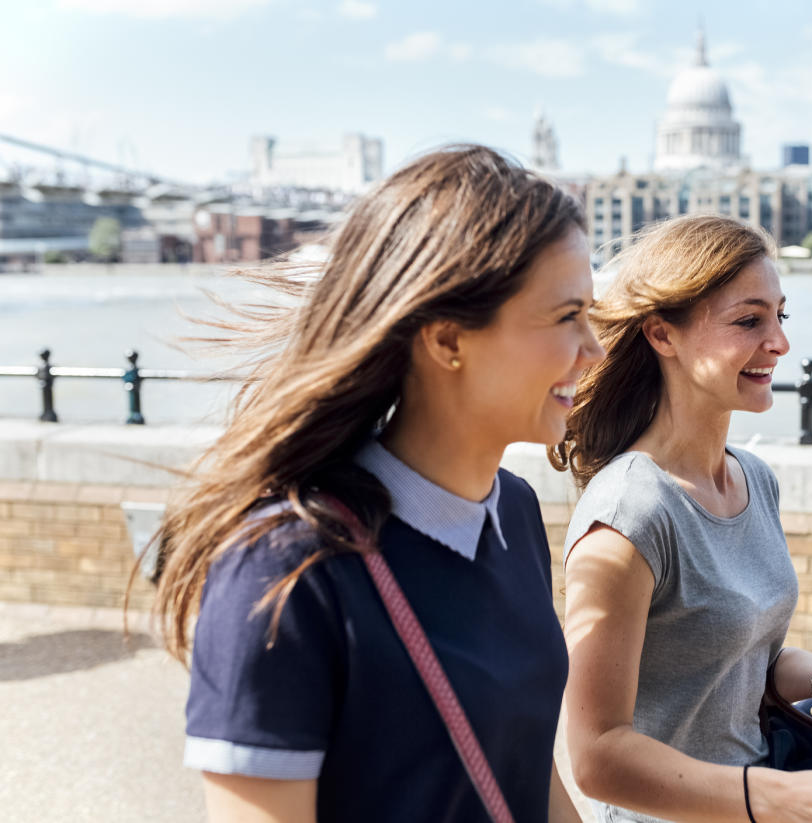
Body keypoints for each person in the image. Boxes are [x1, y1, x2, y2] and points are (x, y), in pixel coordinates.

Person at [147, 145, 602, 822]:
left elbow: (526, 771)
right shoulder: (282, 569)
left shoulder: (515, 510)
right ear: (448, 340)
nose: (594, 348)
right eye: (568, 317)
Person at [551, 215, 812, 823]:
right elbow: (597, 759)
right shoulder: (629, 515)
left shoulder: (754, 479)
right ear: (662, 335)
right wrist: (778, 799)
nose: (778, 342)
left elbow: (754, 668)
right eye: (749, 320)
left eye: (781, 316)